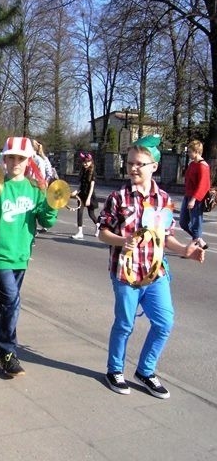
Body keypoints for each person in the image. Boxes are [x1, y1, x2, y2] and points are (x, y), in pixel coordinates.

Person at [98, 134, 205, 400]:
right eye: (130, 162)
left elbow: (166, 236)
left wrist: (185, 251)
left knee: (164, 322)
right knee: (124, 324)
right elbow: (102, 233)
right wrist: (124, 240)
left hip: (156, 272)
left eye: (140, 164)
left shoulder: (165, 199)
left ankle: (145, 371)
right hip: (126, 273)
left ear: (153, 167)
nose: (133, 168)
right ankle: (115, 370)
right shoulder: (118, 197)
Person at [0, 137, 58, 376]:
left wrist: (52, 205)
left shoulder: (35, 189)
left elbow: (46, 221)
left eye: (20, 158)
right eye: (11, 157)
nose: (15, 162)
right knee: (12, 299)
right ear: (4, 158)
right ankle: (8, 351)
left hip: (21, 254)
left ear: (28, 161)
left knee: (6, 300)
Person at [180, 139, 211, 249]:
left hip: (196, 198)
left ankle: (195, 247)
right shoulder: (192, 164)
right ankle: (199, 240)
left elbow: (204, 185)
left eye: (190, 151)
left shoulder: (203, 166)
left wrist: (193, 199)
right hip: (187, 195)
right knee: (183, 222)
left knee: (196, 223)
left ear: (197, 151)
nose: (188, 154)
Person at [71, 152, 99, 240]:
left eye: (87, 161)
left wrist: (89, 199)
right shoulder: (83, 171)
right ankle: (80, 232)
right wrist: (76, 191)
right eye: (84, 162)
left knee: (91, 214)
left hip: (89, 196)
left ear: (91, 162)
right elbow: (80, 184)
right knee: (79, 212)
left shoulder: (93, 173)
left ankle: (98, 226)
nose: (85, 163)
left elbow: (92, 187)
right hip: (81, 195)